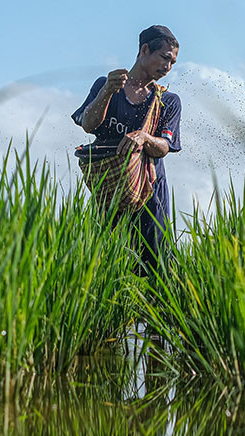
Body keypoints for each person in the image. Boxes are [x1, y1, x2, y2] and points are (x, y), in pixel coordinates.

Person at [72, 25, 182, 274]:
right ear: (145, 50)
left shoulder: (167, 101)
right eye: (165, 58)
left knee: (158, 265)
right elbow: (88, 125)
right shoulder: (107, 85)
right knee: (106, 264)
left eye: (173, 62)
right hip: (109, 191)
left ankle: (157, 313)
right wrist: (107, 92)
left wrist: (145, 138)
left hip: (150, 194)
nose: (168, 67)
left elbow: (165, 146)